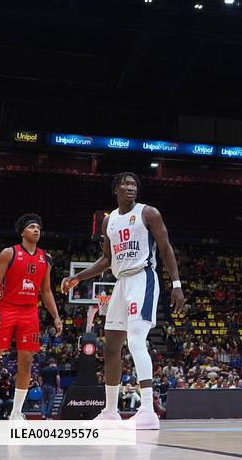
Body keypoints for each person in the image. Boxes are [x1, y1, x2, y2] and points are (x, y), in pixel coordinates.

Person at [61, 173, 186, 430]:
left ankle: (148, 412)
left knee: (137, 341)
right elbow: (106, 259)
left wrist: (176, 284)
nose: (130, 187)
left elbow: (165, 248)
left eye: (134, 185)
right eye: (125, 184)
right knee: (111, 347)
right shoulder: (109, 221)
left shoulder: (148, 213)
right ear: (115, 189)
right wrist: (78, 278)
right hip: (121, 282)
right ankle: (109, 411)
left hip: (143, 278)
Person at [0, 214, 62, 420]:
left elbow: (47, 291)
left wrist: (56, 316)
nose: (36, 230)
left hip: (29, 312)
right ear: (22, 232)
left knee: (27, 362)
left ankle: (16, 413)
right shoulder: (9, 253)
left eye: (38, 228)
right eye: (32, 227)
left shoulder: (46, 258)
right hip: (6, 308)